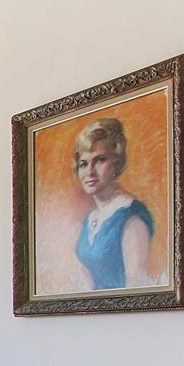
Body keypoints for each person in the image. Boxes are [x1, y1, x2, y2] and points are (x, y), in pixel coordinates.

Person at [72, 117, 154, 290]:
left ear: (116, 163)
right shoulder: (90, 218)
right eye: (83, 164)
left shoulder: (131, 217)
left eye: (100, 160)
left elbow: (136, 287)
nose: (89, 171)